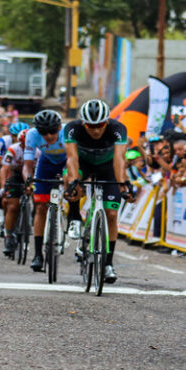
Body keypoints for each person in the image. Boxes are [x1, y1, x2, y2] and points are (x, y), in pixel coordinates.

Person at [63, 99, 133, 283]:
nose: (95, 130)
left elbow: (119, 159)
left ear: (107, 122)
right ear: (83, 123)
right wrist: (75, 179)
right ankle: (74, 215)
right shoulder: (72, 128)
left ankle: (108, 263)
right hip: (83, 164)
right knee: (70, 181)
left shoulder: (118, 129)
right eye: (90, 125)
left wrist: (122, 183)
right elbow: (72, 158)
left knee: (111, 214)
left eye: (100, 125)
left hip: (107, 167)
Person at [22, 110, 67, 270]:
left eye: (52, 131)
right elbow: (27, 165)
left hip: (66, 163)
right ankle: (37, 254)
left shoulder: (67, 132)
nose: (48, 136)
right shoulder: (32, 134)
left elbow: (75, 160)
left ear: (59, 127)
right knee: (40, 207)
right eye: (44, 133)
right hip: (46, 164)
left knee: (72, 185)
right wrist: (28, 180)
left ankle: (74, 216)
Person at [0, 122, 28, 227]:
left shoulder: (28, 143)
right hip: (6, 166)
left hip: (21, 167)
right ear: (11, 135)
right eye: (15, 136)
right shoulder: (3, 142)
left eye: (19, 136)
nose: (17, 138)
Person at [0, 129, 29, 256]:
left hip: (31, 175)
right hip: (15, 176)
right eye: (22, 144)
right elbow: (4, 168)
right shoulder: (12, 149)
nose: (24, 147)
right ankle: (9, 237)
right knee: (12, 206)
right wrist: (2, 186)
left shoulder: (38, 151)